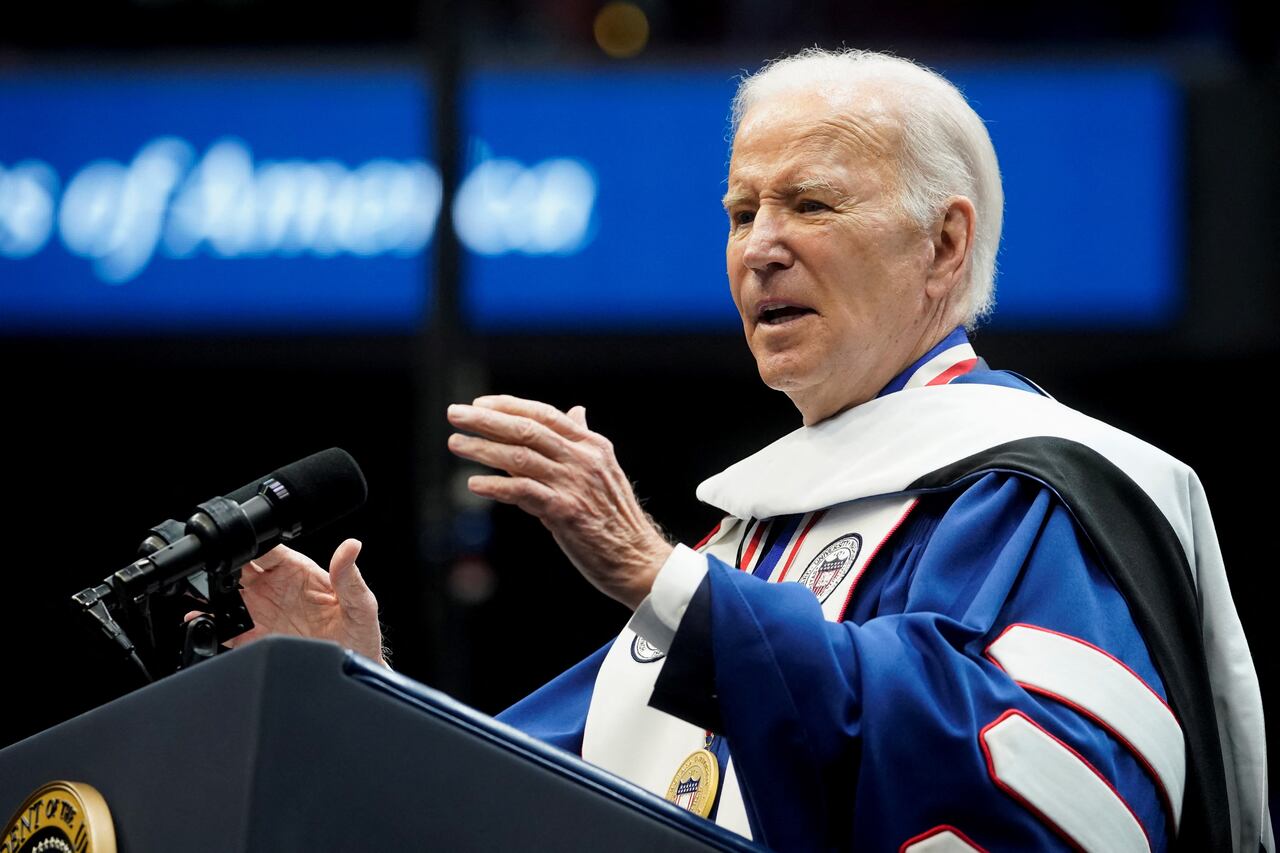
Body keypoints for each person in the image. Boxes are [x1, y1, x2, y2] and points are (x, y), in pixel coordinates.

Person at [225, 49, 1271, 852]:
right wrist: (362, 689)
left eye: (810, 203)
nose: (760, 245)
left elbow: (1060, 796)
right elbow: (517, 797)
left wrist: (658, 576)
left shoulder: (1038, 490)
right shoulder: (742, 548)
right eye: (740, 211)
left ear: (943, 244)